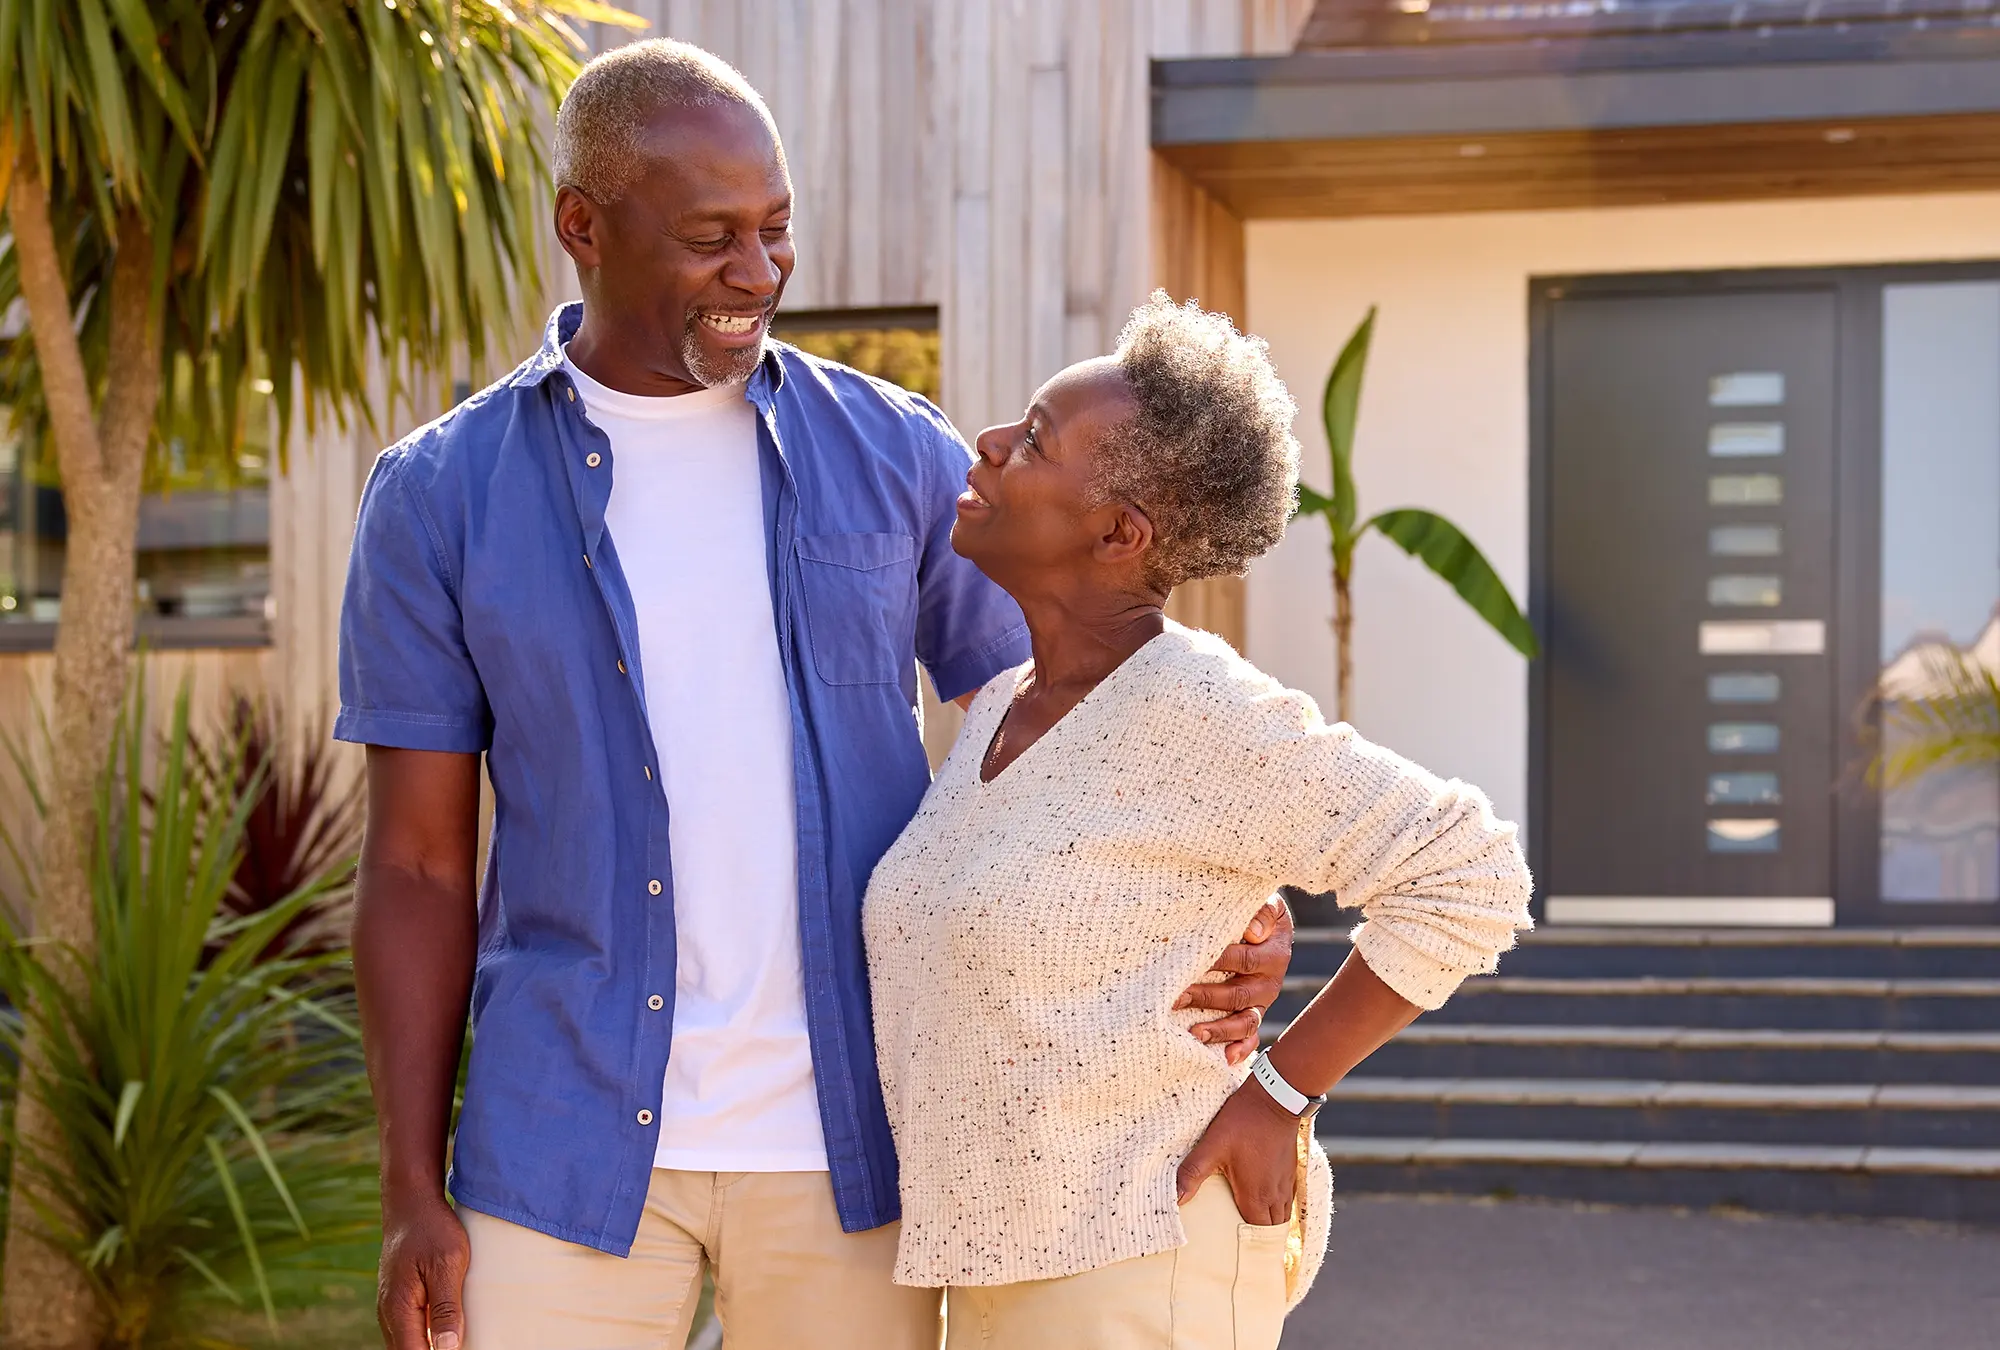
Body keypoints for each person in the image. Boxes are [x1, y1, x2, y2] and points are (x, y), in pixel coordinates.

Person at [337, 40, 1292, 1350]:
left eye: (777, 232)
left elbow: (1076, 719)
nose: (759, 274)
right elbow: (420, 867)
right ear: (583, 225)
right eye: (711, 237)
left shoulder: (895, 454)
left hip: (857, 1136)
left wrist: (1220, 897)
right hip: (558, 1140)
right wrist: (406, 1184)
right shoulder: (441, 495)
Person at [864, 293, 1536, 1349]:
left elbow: (1470, 875)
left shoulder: (1202, 713)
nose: (988, 444)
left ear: (1118, 532)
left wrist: (1281, 1089)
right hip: (989, 1273)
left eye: (1033, 442)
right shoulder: (996, 710)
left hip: (1139, 1254)